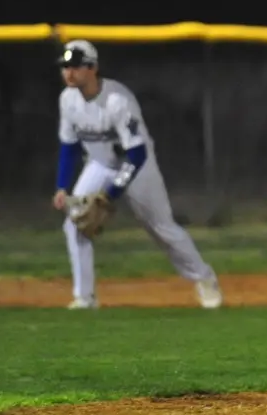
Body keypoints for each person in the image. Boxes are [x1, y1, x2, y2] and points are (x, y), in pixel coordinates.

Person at [52, 39, 223, 310]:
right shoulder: (67, 100)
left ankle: (204, 277)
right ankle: (85, 297)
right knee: (75, 222)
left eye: (75, 66)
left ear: (93, 68)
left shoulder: (118, 100)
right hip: (99, 164)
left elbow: (138, 154)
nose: (69, 73)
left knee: (162, 228)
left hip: (136, 166)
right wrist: (62, 186)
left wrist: (110, 194)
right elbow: (69, 146)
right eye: (65, 67)